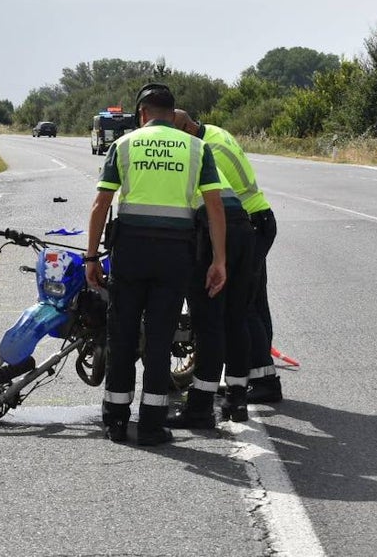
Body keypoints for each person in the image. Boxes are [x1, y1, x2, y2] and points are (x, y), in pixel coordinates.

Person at [84, 83, 227, 446]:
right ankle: (150, 425)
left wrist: (90, 256)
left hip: (130, 252)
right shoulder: (197, 148)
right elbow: (214, 208)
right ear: (172, 112)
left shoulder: (124, 144)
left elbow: (101, 204)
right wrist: (219, 260)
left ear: (141, 114)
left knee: (123, 335)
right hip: (175, 254)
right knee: (160, 340)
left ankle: (116, 420)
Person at [167, 109, 256, 428]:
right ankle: (237, 398)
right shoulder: (200, 152)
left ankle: (201, 406)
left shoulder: (174, 158)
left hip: (213, 230)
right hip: (244, 230)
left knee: (208, 323)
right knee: (235, 318)